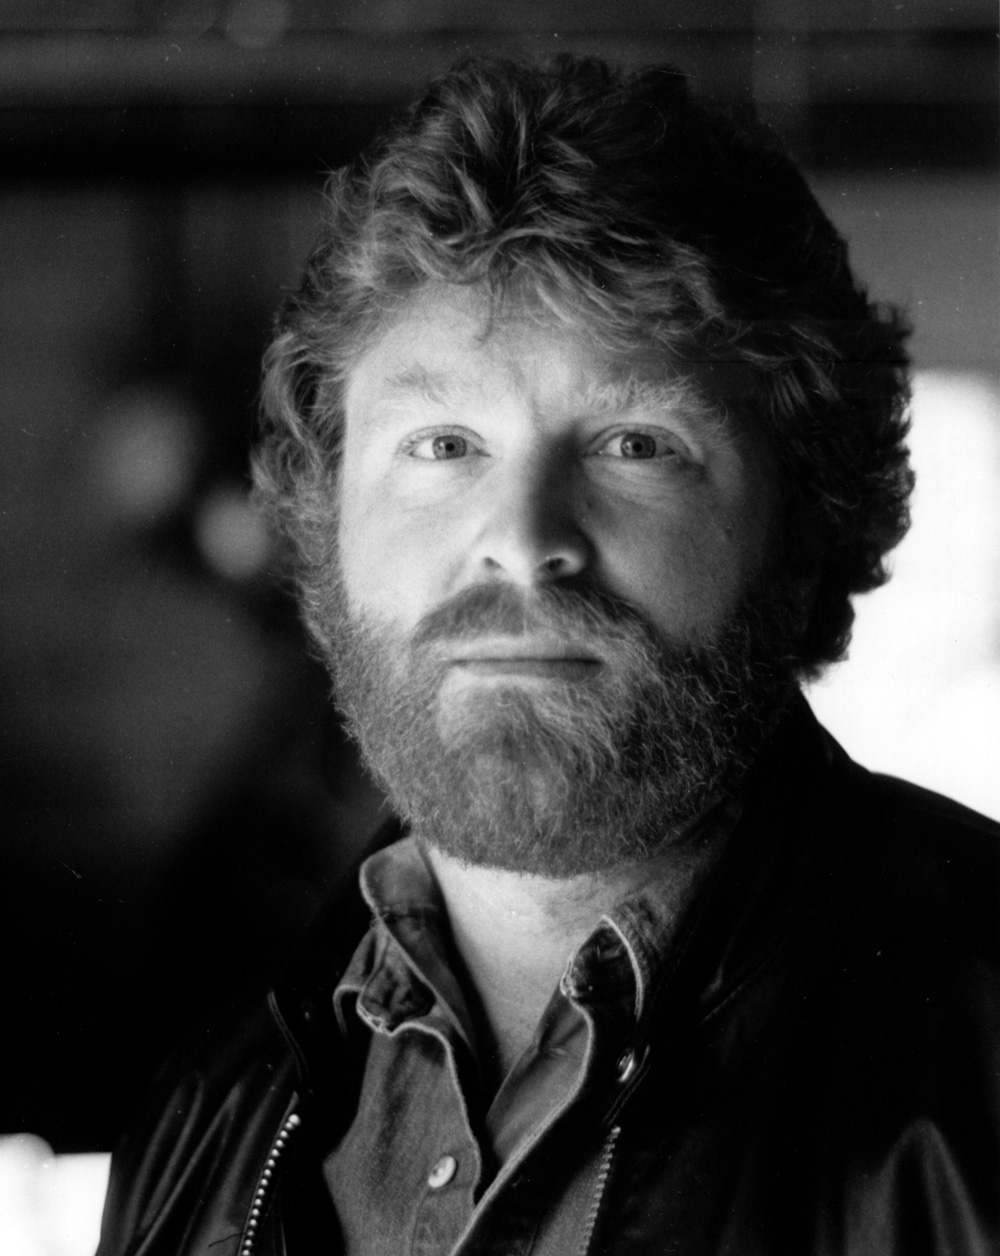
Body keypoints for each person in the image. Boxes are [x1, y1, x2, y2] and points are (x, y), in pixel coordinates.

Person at [96, 55, 999, 1256]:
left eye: (635, 442)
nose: (523, 541)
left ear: (804, 518)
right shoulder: (206, 1116)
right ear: (326, 519)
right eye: (443, 443)